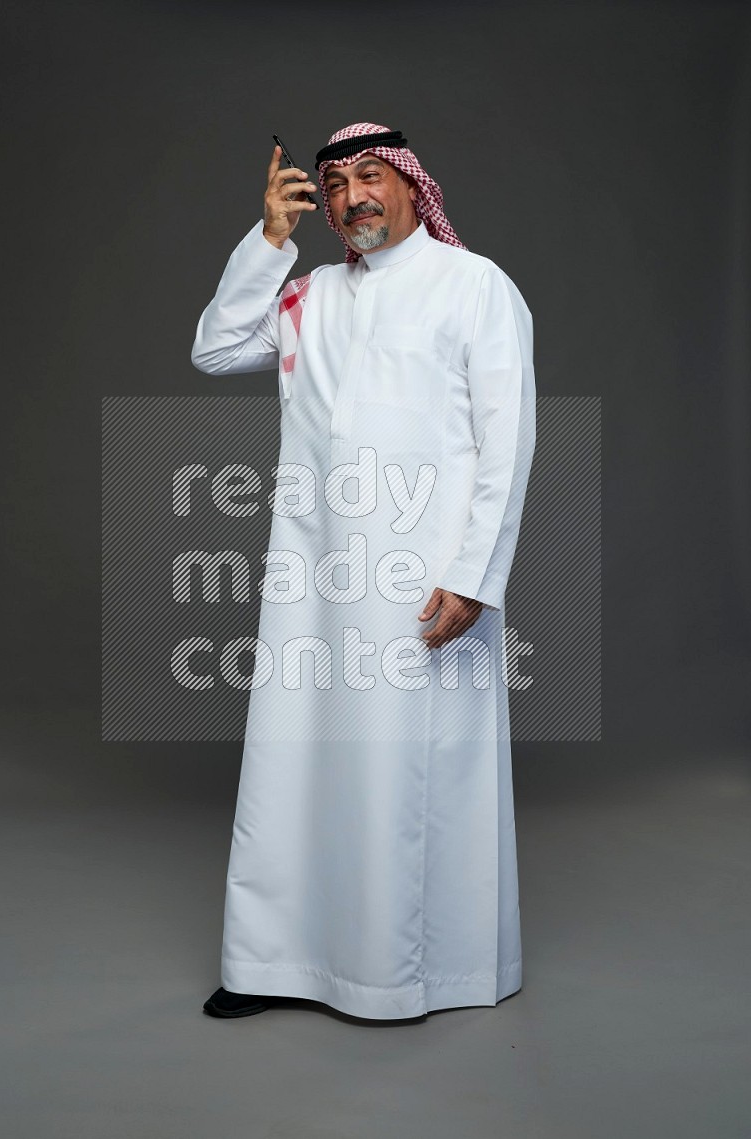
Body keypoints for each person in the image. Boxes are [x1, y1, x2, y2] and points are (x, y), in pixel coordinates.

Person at [191, 123, 536, 1021]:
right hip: (312, 573)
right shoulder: (308, 295)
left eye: (371, 176)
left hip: (424, 582)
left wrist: (474, 575)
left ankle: (410, 974)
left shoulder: (474, 286)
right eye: (335, 183)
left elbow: (508, 444)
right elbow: (218, 349)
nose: (353, 197)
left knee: (406, 775)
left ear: (415, 187)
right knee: (293, 762)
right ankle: (274, 963)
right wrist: (269, 240)